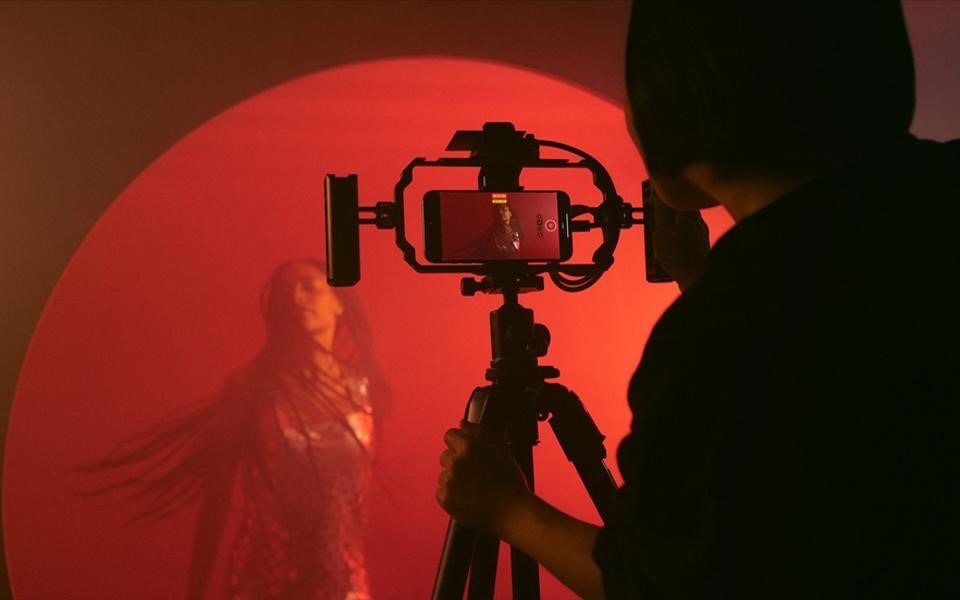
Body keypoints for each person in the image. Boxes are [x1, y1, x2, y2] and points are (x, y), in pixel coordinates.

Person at [436, 1, 959, 598]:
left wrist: (507, 509)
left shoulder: (716, 338)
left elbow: (660, 582)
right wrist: (706, 282)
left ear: (673, 102)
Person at [82, 258, 389, 600]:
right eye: (285, 293)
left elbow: (362, 499)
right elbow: (217, 499)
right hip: (267, 582)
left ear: (339, 303)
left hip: (344, 585)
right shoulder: (251, 388)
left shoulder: (366, 391)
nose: (296, 298)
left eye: (309, 286)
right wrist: (196, 592)